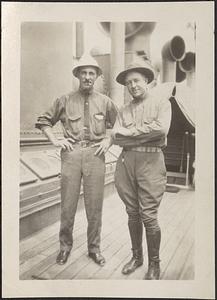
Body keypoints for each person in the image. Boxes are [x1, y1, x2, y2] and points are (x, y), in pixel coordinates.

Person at [35, 53, 117, 266]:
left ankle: (94, 249)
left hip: (96, 156)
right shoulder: (64, 100)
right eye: (84, 73)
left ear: (97, 76)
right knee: (68, 205)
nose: (88, 77)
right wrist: (55, 140)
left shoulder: (106, 102)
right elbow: (43, 120)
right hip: (71, 156)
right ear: (78, 75)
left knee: (94, 206)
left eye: (92, 73)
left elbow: (119, 126)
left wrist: (108, 141)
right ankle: (64, 247)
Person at [111, 59, 172, 280]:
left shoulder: (162, 103)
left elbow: (161, 131)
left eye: (136, 80)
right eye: (128, 83)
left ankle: (154, 264)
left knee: (148, 215)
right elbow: (116, 137)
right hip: (126, 164)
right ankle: (137, 257)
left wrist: (130, 133)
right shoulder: (123, 109)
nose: (133, 86)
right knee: (132, 213)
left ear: (146, 80)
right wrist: (131, 135)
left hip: (151, 163)